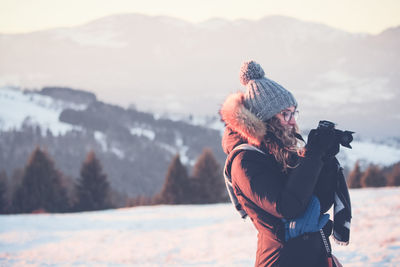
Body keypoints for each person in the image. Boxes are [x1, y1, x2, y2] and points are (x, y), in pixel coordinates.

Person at [220, 60, 350, 267]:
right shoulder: (245, 161)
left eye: (293, 112)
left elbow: (317, 202)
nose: (292, 120)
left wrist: (323, 159)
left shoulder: (280, 152)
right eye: (285, 114)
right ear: (265, 119)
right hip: (282, 260)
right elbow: (286, 207)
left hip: (313, 255)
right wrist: (313, 154)